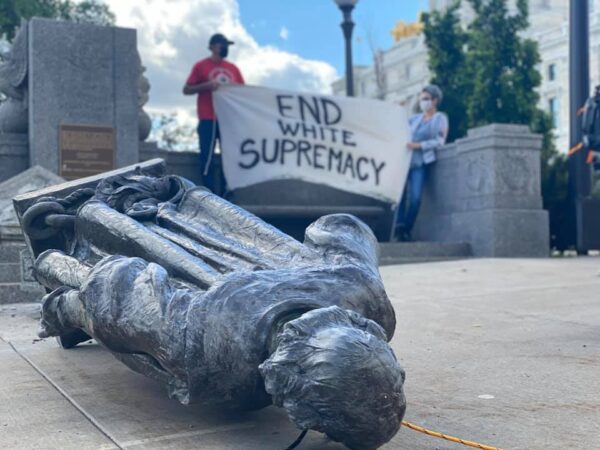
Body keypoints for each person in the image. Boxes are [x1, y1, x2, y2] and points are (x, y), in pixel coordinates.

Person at [183, 33, 245, 194]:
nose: (225, 49)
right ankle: (208, 190)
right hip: (208, 117)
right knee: (207, 155)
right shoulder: (201, 66)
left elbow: (244, 93)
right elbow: (187, 89)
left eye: (226, 46)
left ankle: (228, 190)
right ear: (212, 47)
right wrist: (207, 86)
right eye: (221, 45)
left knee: (230, 155)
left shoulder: (233, 69)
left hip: (227, 119)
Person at [396, 85, 449, 241]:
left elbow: (440, 141)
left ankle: (407, 227)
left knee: (416, 198)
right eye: (421, 99)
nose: (423, 102)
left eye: (426, 99)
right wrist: (399, 110)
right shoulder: (415, 118)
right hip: (405, 162)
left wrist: (419, 145)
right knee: (400, 197)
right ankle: (399, 227)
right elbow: (401, 128)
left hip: (420, 163)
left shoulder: (440, 118)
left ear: (435, 100)